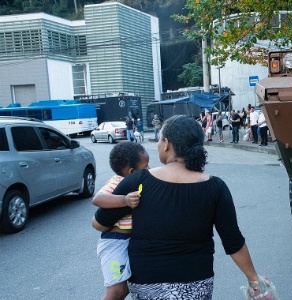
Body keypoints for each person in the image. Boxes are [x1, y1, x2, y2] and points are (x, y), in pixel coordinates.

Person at [93, 115, 268, 299]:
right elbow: (233, 242)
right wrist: (254, 279)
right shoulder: (216, 187)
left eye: (160, 139)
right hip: (196, 285)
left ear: (167, 144)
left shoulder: (138, 181)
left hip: (147, 283)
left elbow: (100, 223)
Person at [92, 142, 150, 300]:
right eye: (146, 167)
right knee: (116, 292)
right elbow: (98, 199)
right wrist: (124, 200)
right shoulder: (117, 182)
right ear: (131, 172)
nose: (149, 169)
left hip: (130, 241)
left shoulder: (139, 184)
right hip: (115, 242)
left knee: (124, 290)